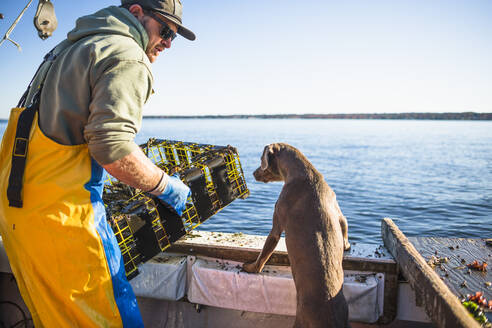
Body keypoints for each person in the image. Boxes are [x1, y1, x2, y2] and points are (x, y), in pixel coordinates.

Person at [0, 0, 195, 326]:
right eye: (164, 30)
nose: (167, 43)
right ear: (136, 13)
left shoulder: (65, 49)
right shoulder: (128, 55)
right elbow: (113, 147)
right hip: (65, 225)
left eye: (173, 37)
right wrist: (166, 186)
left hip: (19, 216)